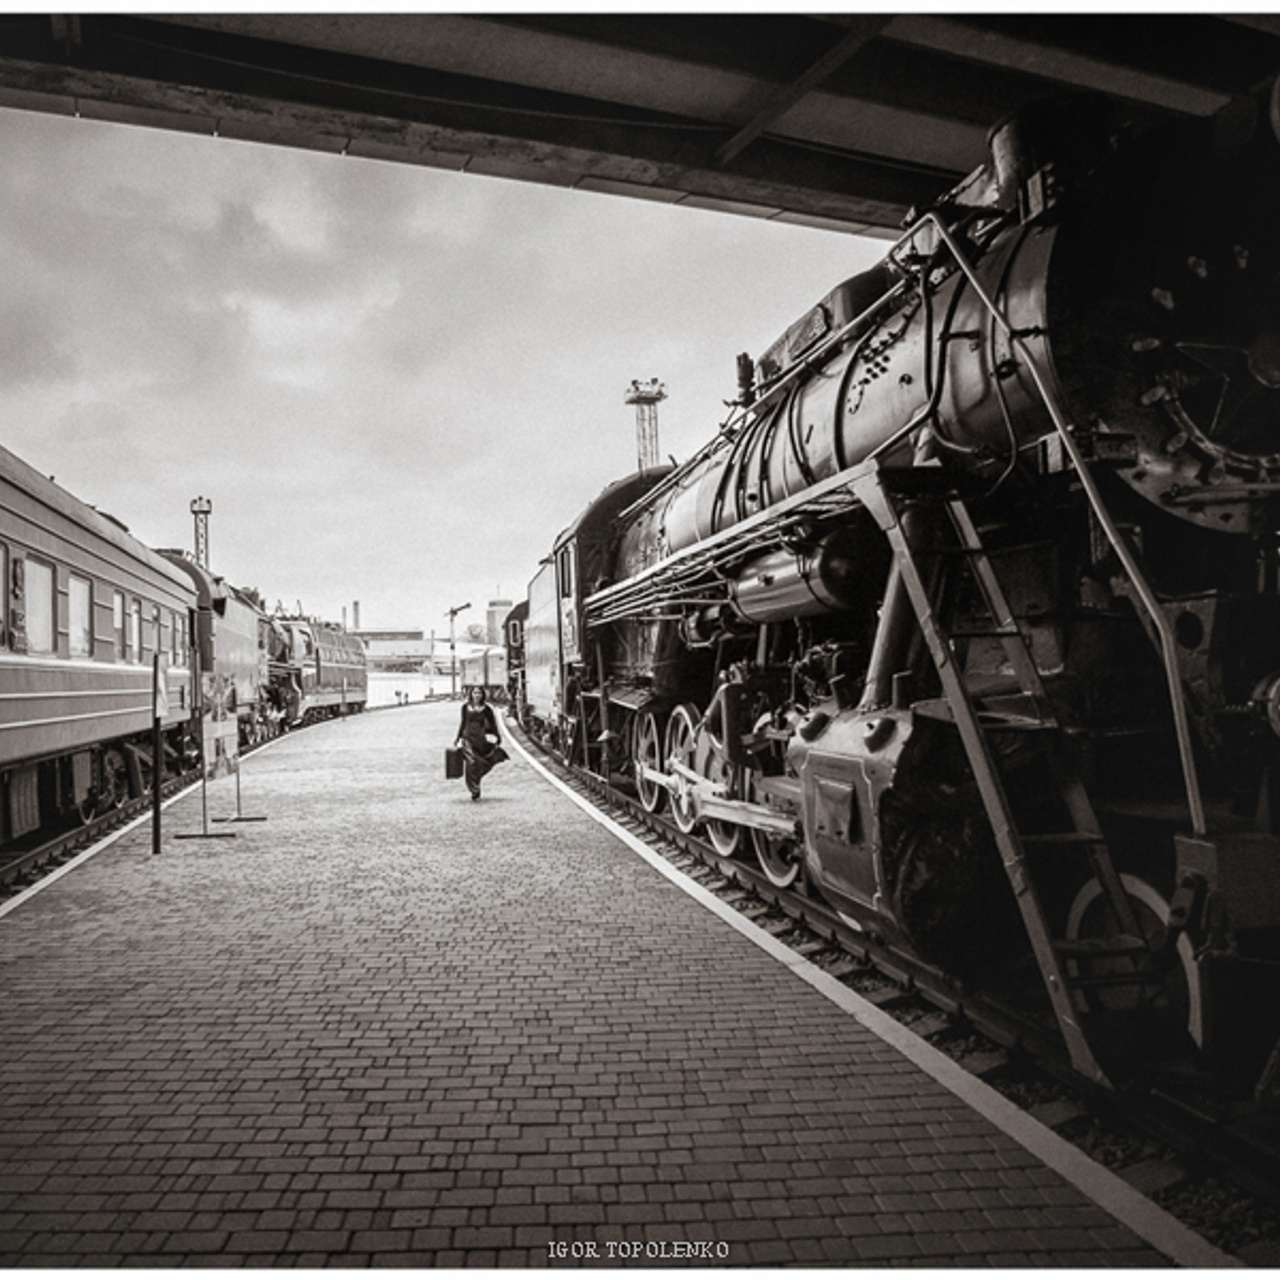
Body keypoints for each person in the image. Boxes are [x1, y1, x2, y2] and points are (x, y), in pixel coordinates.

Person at [455, 686, 508, 800]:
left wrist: (497, 736)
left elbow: (493, 724)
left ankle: (476, 782)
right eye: (475, 692)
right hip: (467, 738)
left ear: (483, 695)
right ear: (471, 694)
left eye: (479, 693)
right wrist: (458, 737)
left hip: (480, 739)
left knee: (479, 763)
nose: (477, 695)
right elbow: (463, 722)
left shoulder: (487, 709)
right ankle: (474, 789)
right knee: (471, 762)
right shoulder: (465, 707)